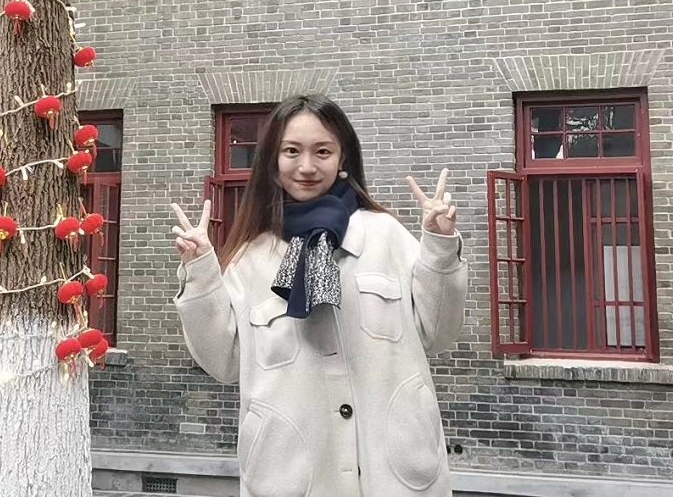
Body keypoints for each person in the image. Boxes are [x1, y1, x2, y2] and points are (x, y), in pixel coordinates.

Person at [170, 94, 468, 497]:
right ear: (273, 161)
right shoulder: (251, 258)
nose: (307, 166)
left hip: (394, 473)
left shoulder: (385, 236)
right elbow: (224, 362)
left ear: (342, 158)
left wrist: (440, 246)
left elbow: (439, 333)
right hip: (290, 477)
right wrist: (200, 272)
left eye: (322, 151)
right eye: (292, 151)